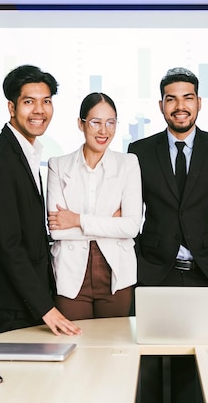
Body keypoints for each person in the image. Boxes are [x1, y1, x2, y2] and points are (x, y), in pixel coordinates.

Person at [128, 67, 208, 403]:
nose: (180, 105)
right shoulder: (139, 151)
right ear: (161, 104)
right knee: (148, 370)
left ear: (199, 102)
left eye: (187, 98)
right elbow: (129, 214)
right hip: (155, 273)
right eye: (172, 99)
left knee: (206, 372)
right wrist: (138, 266)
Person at [0, 64, 82, 336]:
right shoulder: (1, 161)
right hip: (12, 301)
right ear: (12, 108)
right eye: (29, 102)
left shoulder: (25, 151)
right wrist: (46, 308)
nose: (39, 110)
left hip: (25, 295)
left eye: (46, 101)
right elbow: (8, 244)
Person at [46, 92, 142, 320]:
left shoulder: (128, 164)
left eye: (110, 123)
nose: (104, 131)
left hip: (115, 272)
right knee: (75, 346)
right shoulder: (58, 165)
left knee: (112, 346)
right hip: (71, 273)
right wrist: (110, 223)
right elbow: (58, 229)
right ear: (81, 124)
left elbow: (131, 227)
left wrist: (77, 219)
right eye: (95, 122)